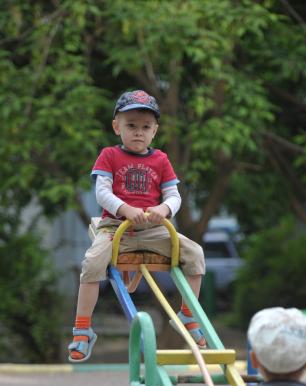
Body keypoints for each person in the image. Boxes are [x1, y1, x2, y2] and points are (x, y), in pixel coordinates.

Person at [68, 89, 207, 362]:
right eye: (131, 125)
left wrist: (162, 209)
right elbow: (102, 192)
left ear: (155, 131)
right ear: (116, 126)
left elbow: (174, 196)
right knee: (92, 262)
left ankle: (188, 315)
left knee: (195, 254)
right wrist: (126, 209)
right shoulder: (109, 155)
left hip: (153, 229)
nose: (138, 132)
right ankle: (82, 330)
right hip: (115, 227)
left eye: (146, 127)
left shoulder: (161, 160)